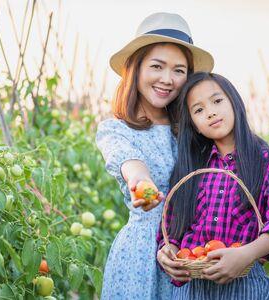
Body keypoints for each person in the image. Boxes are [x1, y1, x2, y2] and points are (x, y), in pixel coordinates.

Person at [96, 13, 214, 299]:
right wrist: (143, 187)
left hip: (190, 255)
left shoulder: (195, 129)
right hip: (141, 256)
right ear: (135, 70)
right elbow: (131, 166)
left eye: (178, 70)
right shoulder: (116, 130)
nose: (167, 79)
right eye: (157, 66)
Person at [156, 72, 269, 299]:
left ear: (234, 102)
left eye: (217, 101)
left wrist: (245, 254)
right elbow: (173, 227)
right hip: (193, 288)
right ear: (195, 125)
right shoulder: (191, 169)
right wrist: (169, 251)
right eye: (198, 110)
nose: (210, 112)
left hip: (244, 285)